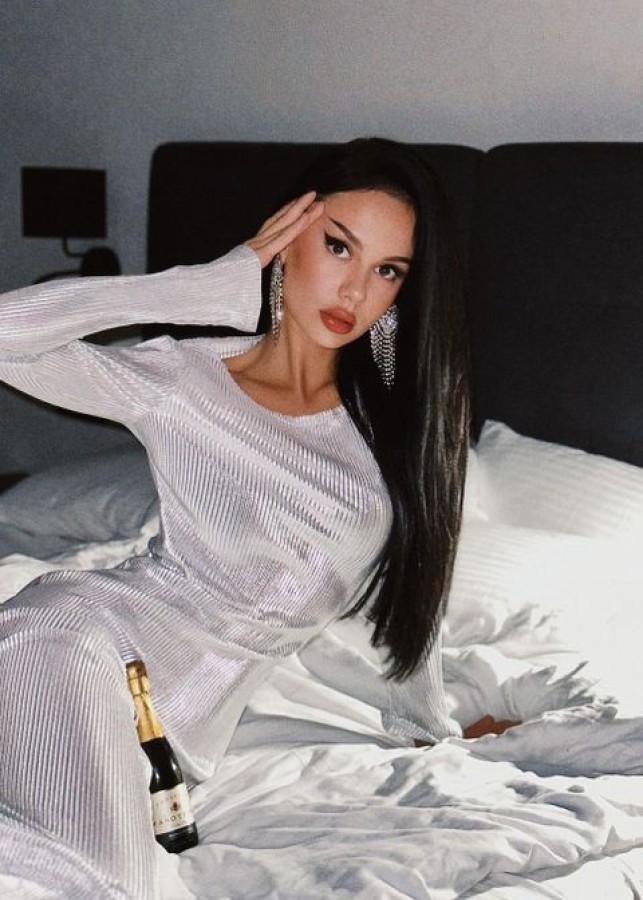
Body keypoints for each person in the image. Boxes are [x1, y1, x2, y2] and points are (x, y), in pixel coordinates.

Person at [0, 138, 470, 898]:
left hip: (175, 730)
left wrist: (429, 728)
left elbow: (414, 594)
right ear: (283, 239)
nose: (355, 290)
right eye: (338, 247)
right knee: (111, 882)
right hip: (76, 644)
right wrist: (191, 289)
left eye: (388, 270)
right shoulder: (181, 381)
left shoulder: (398, 427)